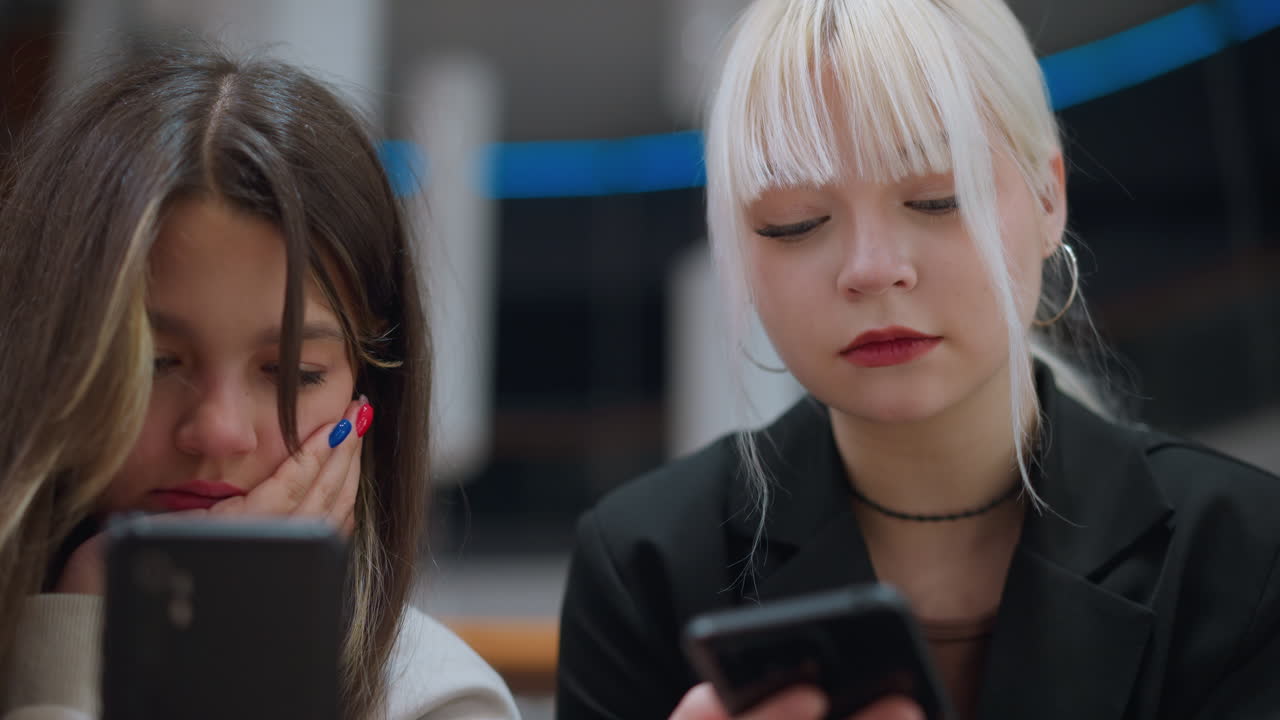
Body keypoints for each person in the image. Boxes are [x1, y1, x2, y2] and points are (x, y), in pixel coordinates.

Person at [555, 0, 1280, 718]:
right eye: (796, 223)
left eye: (935, 198)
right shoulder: (644, 565)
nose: (871, 269)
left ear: (1048, 195)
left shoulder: (1241, 552)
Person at [0, 46, 518, 719]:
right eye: (155, 363)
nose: (217, 429)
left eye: (293, 374)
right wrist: (77, 627)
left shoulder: (438, 702)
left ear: (369, 402)